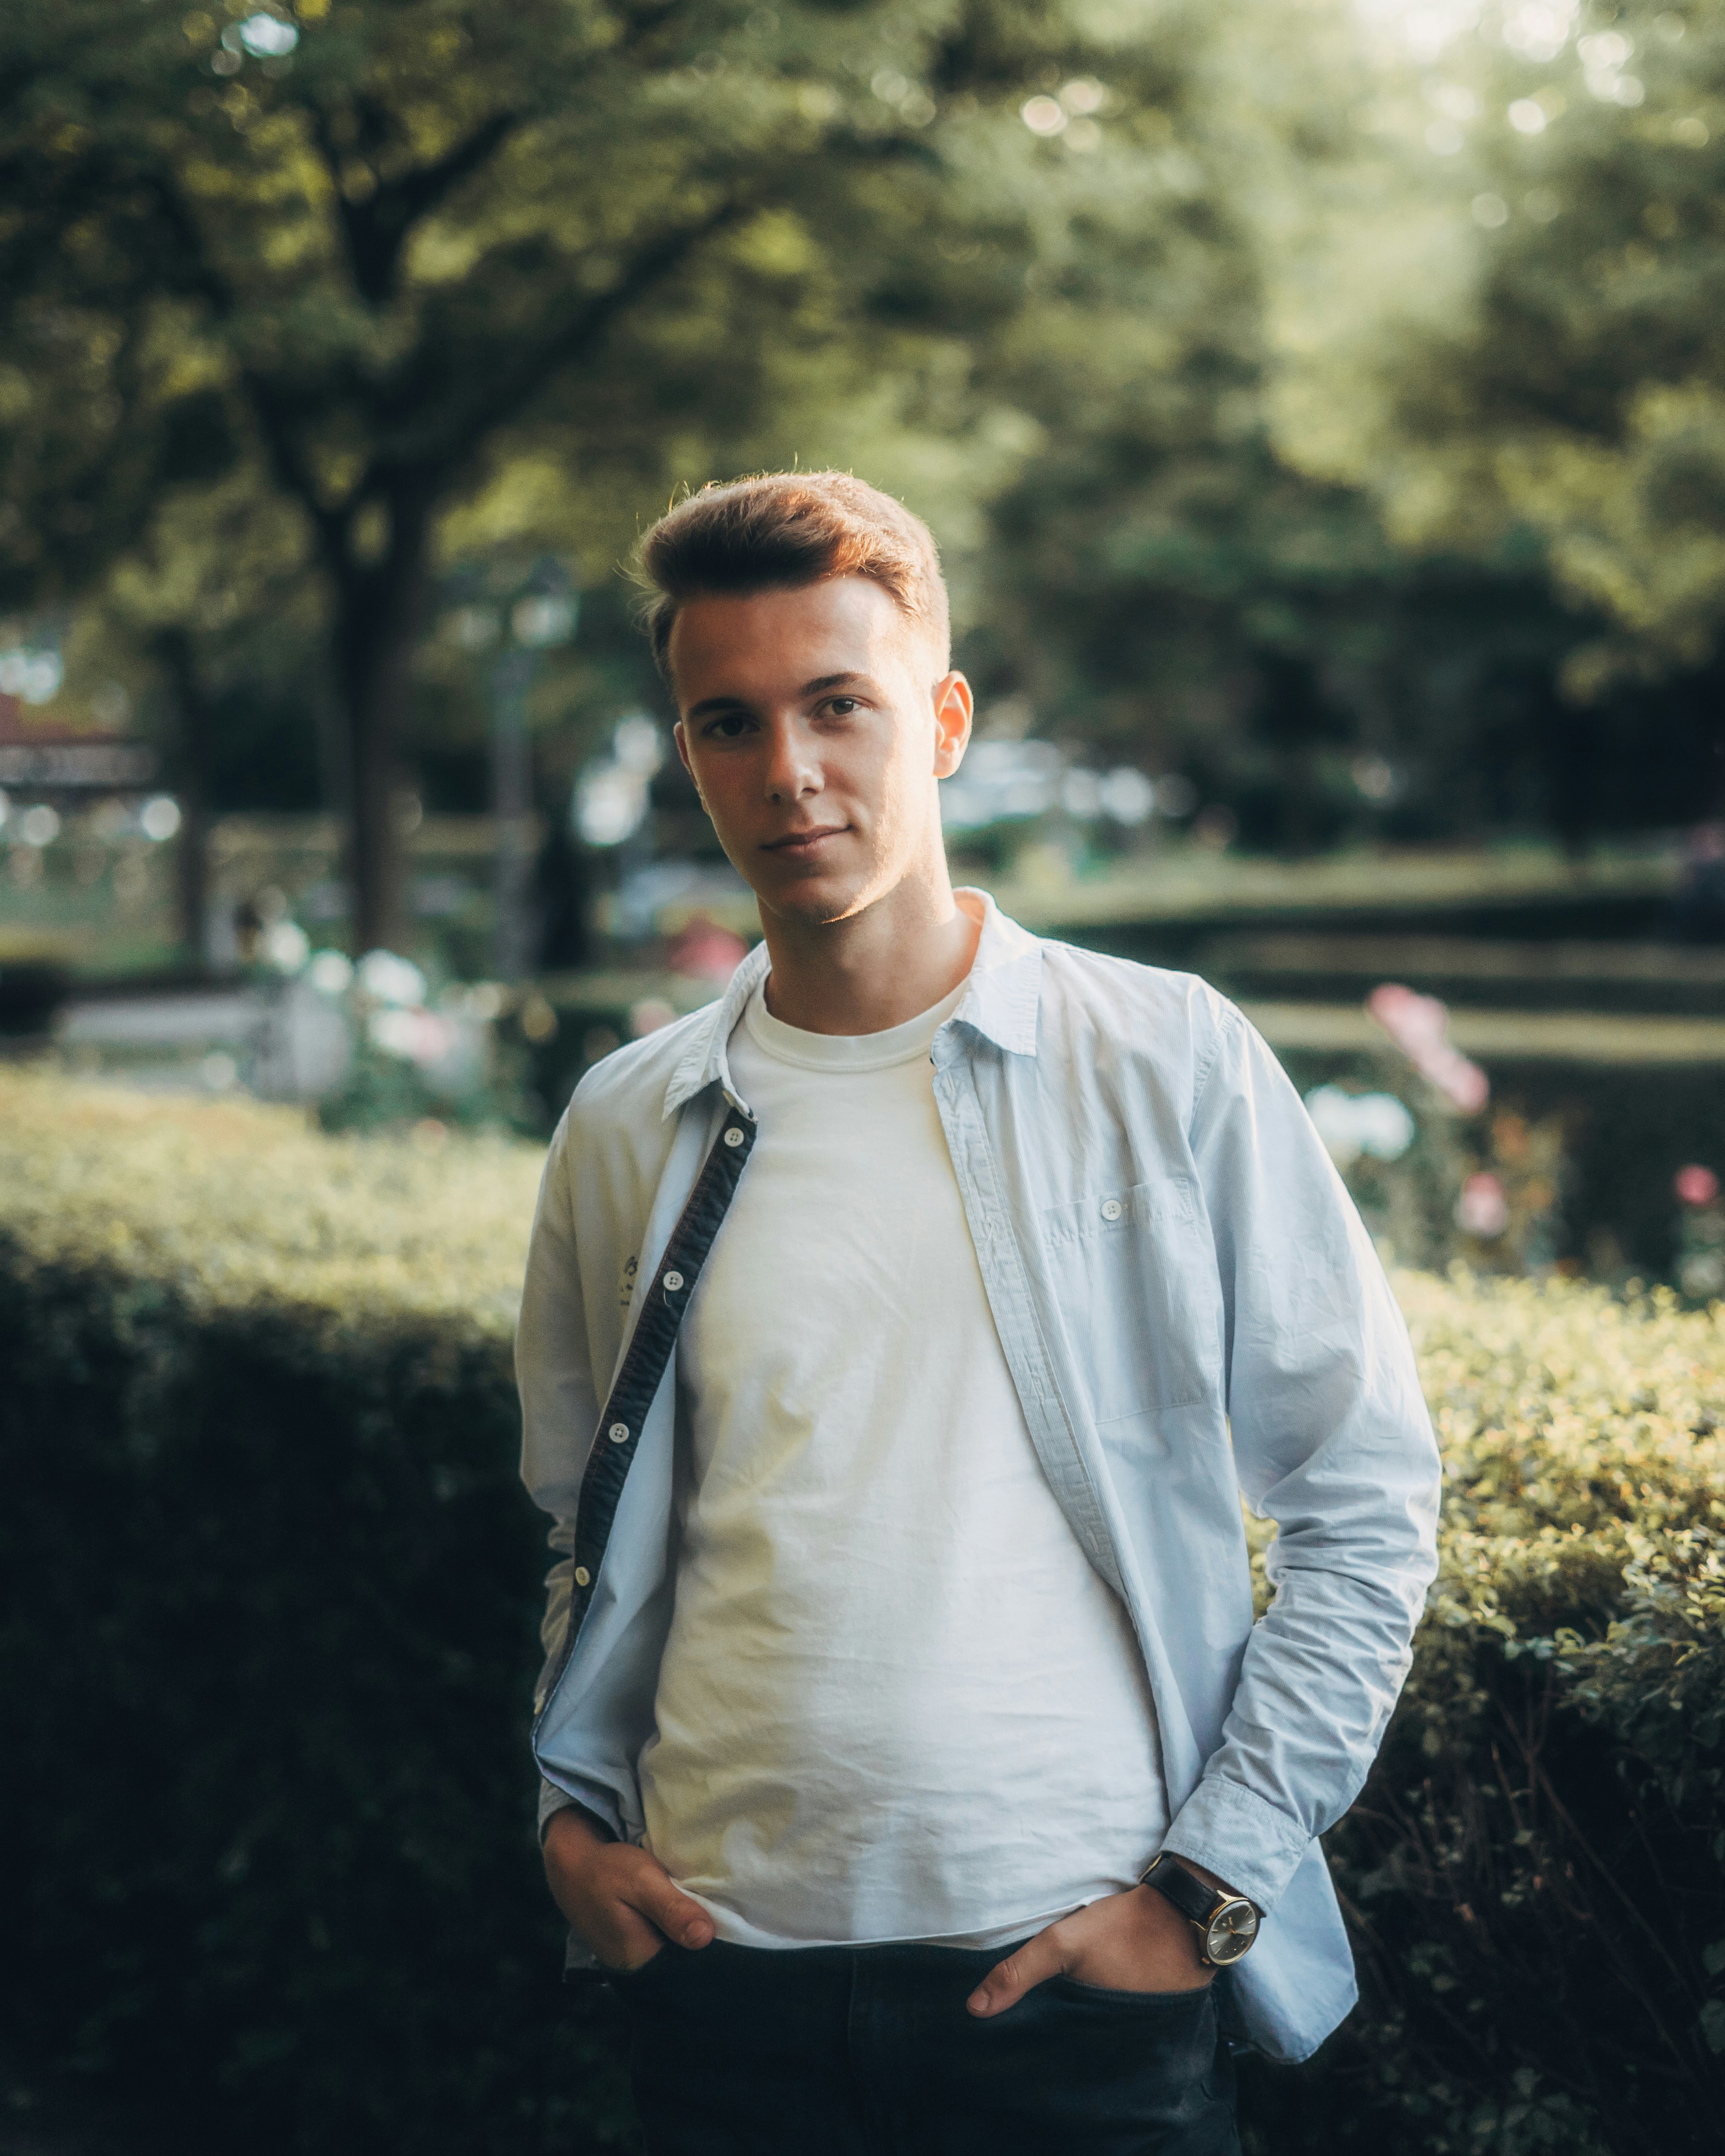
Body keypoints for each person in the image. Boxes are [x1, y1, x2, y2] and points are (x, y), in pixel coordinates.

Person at [516, 472, 1441, 2155]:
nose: (785, 773)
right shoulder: (622, 1124)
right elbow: (587, 1522)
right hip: (722, 1979)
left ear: (938, 719)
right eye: (727, 723)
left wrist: (1205, 1885)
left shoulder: (1165, 1061)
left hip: (1075, 1986)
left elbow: (1362, 1504)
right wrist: (571, 1826)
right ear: (686, 751)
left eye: (836, 705)